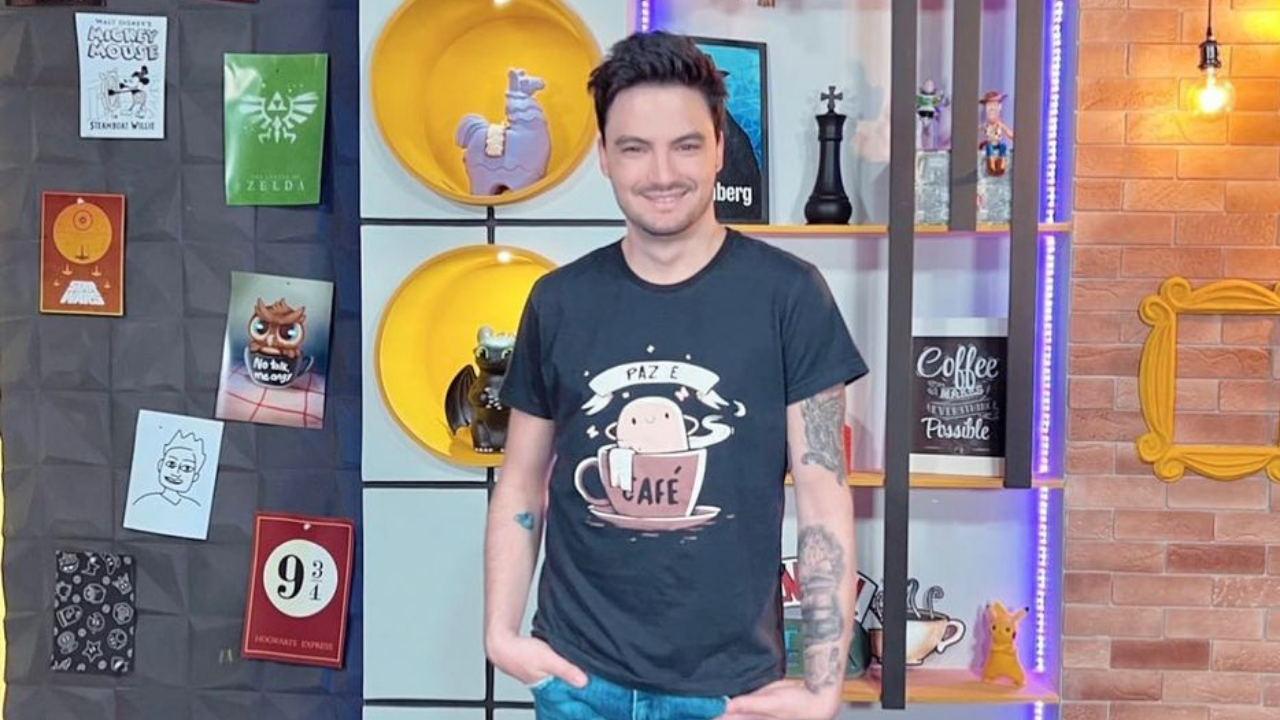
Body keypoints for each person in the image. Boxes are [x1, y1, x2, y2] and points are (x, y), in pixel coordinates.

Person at [484, 30, 868, 720]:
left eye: (685, 145)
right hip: (576, 681)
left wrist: (823, 683)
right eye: (635, 148)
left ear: (720, 147)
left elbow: (823, 496)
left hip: (730, 695)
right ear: (604, 156)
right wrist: (501, 635)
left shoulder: (791, 295)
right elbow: (521, 479)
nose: (661, 173)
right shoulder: (558, 301)